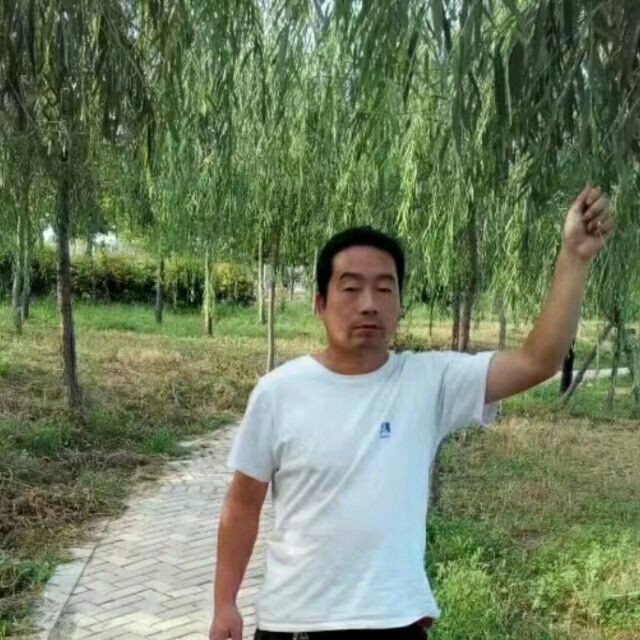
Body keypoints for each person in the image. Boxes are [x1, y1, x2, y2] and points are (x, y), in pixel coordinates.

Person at [209, 185, 613, 640]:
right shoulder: (278, 391)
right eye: (350, 288)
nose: (369, 303)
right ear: (319, 303)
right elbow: (242, 505)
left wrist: (574, 257)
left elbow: (538, 361)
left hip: (395, 622)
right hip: (295, 624)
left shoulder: (428, 381)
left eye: (384, 289)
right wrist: (224, 604)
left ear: (399, 305)